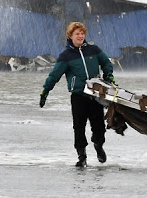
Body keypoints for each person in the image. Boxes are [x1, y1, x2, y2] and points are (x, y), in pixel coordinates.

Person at [39, 22, 115, 167]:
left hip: (96, 95)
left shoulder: (93, 49)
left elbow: (106, 62)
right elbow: (54, 75)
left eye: (82, 33)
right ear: (70, 36)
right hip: (78, 96)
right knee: (79, 127)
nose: (80, 36)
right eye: (77, 34)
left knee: (99, 126)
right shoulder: (66, 56)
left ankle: (98, 145)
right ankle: (82, 156)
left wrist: (108, 75)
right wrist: (45, 91)